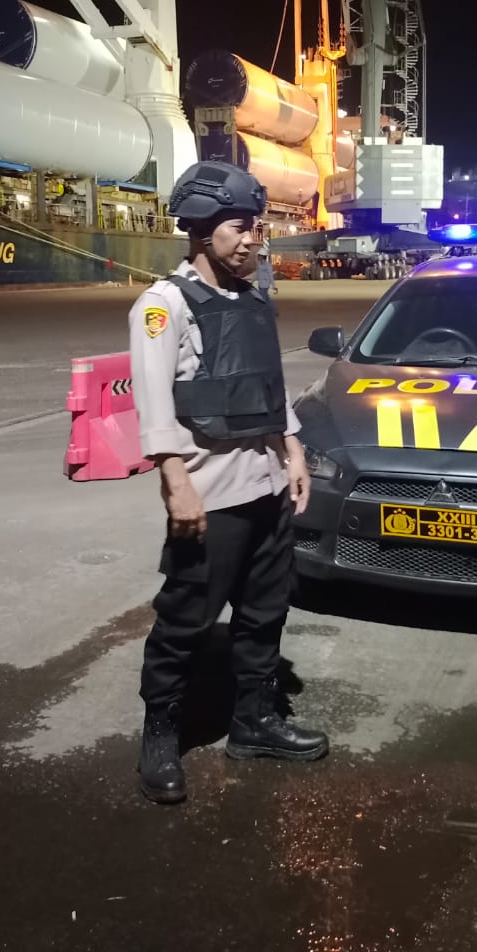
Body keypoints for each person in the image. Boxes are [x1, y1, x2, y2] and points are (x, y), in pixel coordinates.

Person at [127, 161, 329, 805]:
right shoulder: (163, 306)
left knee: (266, 612)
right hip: (210, 495)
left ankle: (254, 722)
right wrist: (175, 483)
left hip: (267, 487)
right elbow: (154, 404)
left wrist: (293, 450)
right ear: (200, 229)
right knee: (185, 619)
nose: (251, 240)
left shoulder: (253, 299)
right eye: (238, 228)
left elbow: (270, 387)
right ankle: (161, 734)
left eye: (255, 228)